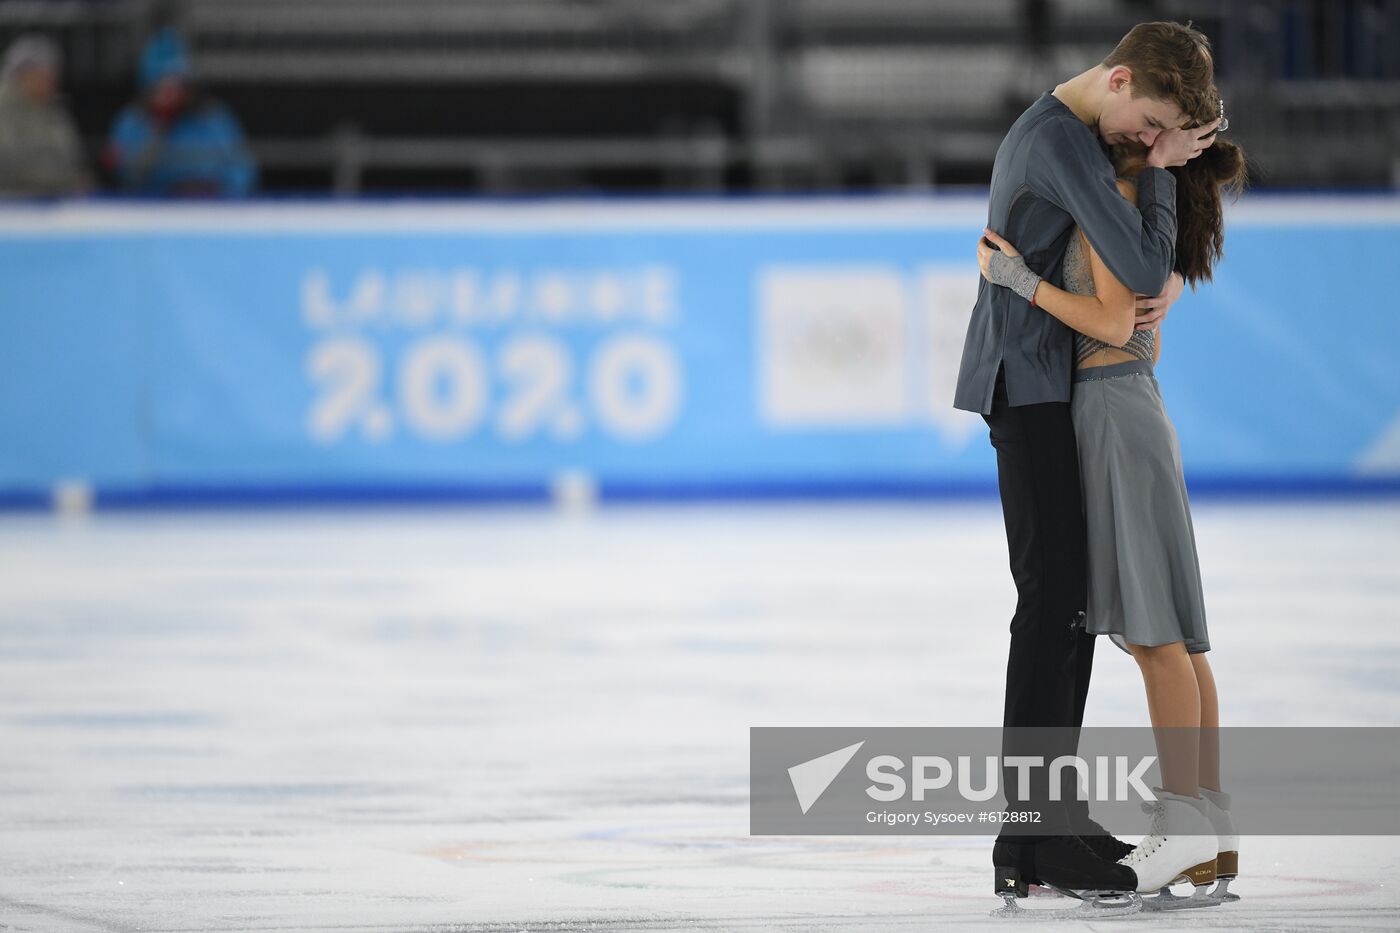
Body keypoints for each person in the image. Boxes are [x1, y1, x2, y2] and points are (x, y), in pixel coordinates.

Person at [952, 21, 1221, 908]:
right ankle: (1030, 835)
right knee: (1053, 607)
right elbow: (1143, 264)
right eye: (1146, 123)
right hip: (1026, 387)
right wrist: (1164, 168)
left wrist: (1164, 163)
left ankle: (1051, 823)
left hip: (1050, 388)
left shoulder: (1085, 141)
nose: (1144, 142)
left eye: (1160, 136)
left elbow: (1148, 279)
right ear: (1115, 81)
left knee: (1068, 610)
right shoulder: (1057, 140)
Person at [105, 27, 256, 198]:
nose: (171, 93)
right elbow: (125, 178)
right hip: (152, 211)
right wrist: (159, 127)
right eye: (161, 86)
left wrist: (217, 195)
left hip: (211, 210)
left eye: (177, 85)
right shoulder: (132, 121)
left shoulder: (213, 118)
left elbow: (242, 171)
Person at [0, 35, 90, 197]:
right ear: (22, 75)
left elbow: (73, 157)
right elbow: (8, 164)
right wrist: (57, 178)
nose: (51, 81)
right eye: (42, 74)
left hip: (54, 207)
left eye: (52, 74)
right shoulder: (4, 112)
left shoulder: (55, 113)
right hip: (10, 205)